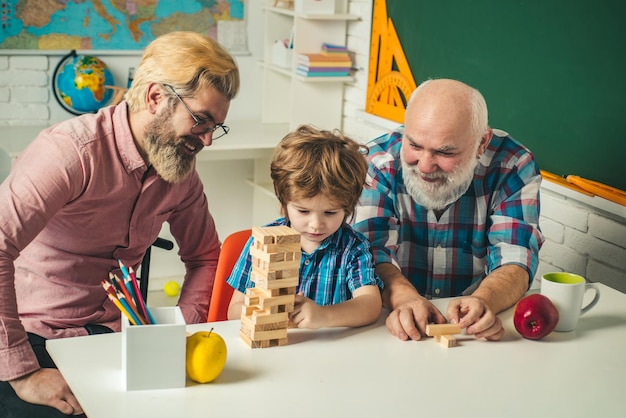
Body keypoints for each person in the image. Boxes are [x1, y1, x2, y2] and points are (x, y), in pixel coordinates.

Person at [0, 31, 239, 417]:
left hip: (115, 338)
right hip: (32, 337)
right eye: (200, 121)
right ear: (156, 97)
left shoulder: (180, 173)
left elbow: (206, 258)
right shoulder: (70, 153)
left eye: (216, 127)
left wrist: (179, 334)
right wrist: (23, 373)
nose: (208, 140)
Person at [352, 79, 544, 342]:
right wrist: (406, 299)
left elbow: (515, 255)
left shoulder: (512, 165)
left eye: (444, 152)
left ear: (482, 143)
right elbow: (370, 251)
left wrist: (483, 301)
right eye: (415, 146)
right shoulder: (377, 161)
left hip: (470, 332)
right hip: (391, 325)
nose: (425, 165)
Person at [227, 125, 383, 329]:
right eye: (303, 211)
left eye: (330, 212)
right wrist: (268, 312)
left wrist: (324, 316)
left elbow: (370, 305)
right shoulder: (261, 243)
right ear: (284, 202)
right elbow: (234, 310)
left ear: (347, 207)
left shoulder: (353, 248)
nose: (316, 224)